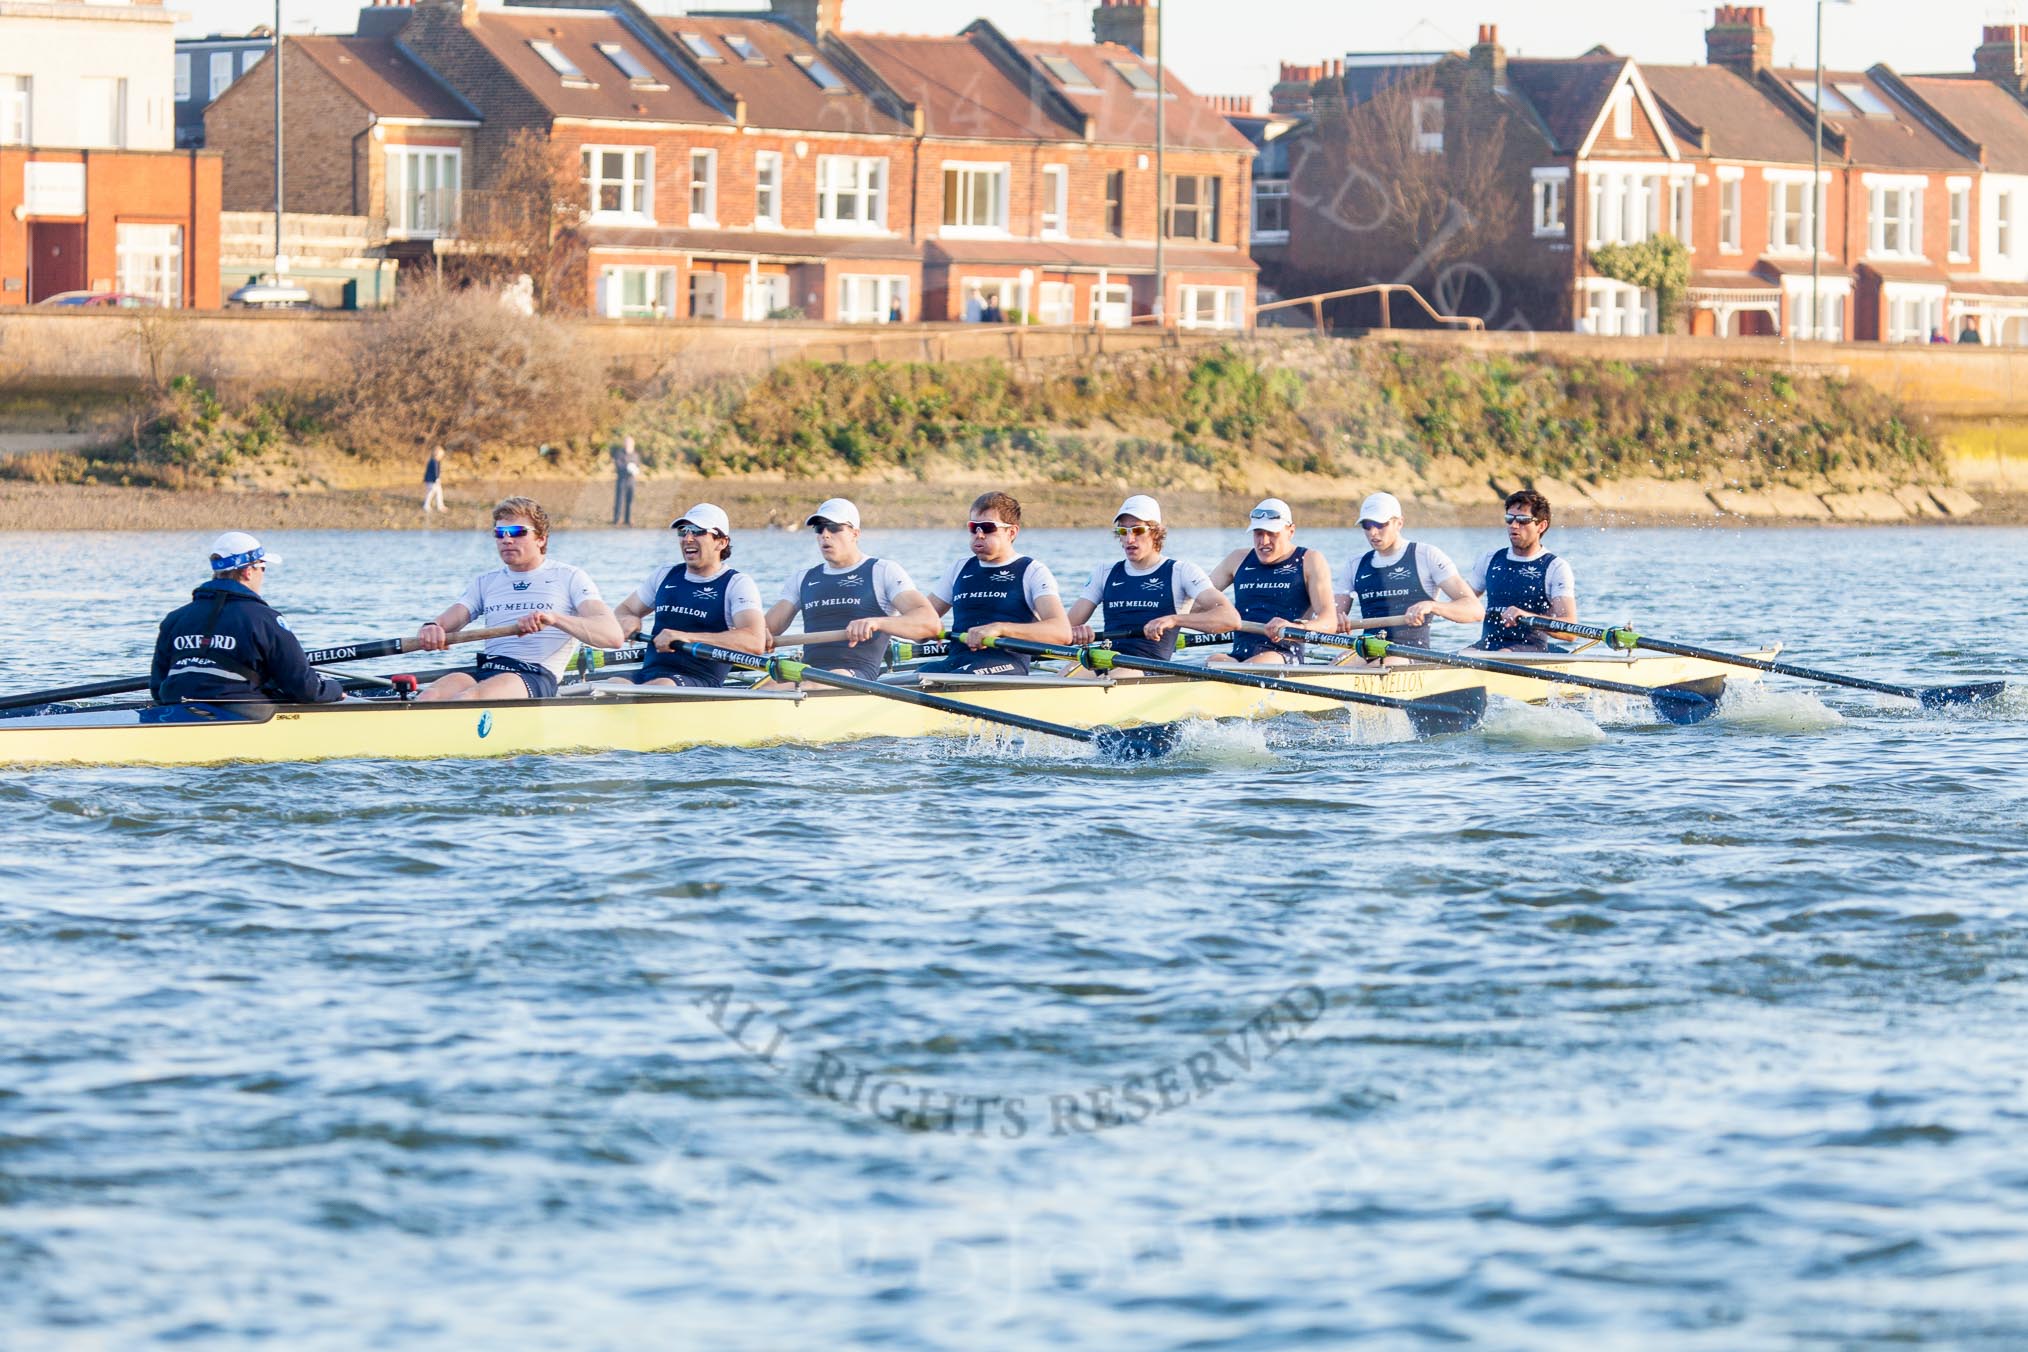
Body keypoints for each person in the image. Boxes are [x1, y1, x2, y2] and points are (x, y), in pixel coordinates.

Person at [414, 497, 623, 700]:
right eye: (499, 533)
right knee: (430, 696)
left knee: (470, 697)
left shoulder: (570, 577)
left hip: (535, 675)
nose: (506, 539)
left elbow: (612, 636)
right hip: (488, 668)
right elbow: (445, 623)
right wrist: (432, 628)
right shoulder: (486, 582)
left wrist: (554, 619)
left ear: (541, 538)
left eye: (517, 532)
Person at [151, 532, 345, 706]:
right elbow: (305, 689)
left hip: (175, 706)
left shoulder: (175, 619)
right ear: (248, 571)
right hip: (241, 713)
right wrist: (335, 689)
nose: (263, 575)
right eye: (263, 568)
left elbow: (157, 689)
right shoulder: (265, 620)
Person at [763, 497, 940, 681]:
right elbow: (763, 631)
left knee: (833, 677)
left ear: (855, 533)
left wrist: (878, 623)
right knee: (767, 686)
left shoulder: (883, 571)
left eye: (833, 527)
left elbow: (930, 624)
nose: (825, 534)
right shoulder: (802, 579)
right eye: (819, 528)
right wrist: (758, 634)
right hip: (808, 676)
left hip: (855, 679)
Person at [1065, 494, 1237, 675]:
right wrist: (1076, 633)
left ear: (1156, 532)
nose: (1129, 539)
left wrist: (1174, 620)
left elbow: (1229, 618)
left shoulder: (1181, 572)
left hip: (1149, 670)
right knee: (1065, 676)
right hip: (1106, 660)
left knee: (1116, 676)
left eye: (1137, 530)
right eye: (1123, 531)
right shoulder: (1104, 573)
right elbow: (1063, 630)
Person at [610, 503, 768, 688]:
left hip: (699, 680)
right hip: (651, 673)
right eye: (683, 531)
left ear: (721, 542)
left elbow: (755, 641)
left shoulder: (737, 584)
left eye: (698, 531)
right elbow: (624, 609)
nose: (688, 538)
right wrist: (629, 618)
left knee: (661, 685)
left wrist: (688, 637)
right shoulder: (664, 575)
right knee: (613, 683)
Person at [920, 490, 1071, 677]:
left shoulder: (1032, 571)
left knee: (946, 679)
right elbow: (919, 620)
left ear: (1011, 532)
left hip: (1006, 665)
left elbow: (1062, 632)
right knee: (922, 674)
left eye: (988, 527)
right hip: (957, 662)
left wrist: (1000, 628)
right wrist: (888, 624)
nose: (979, 534)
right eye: (973, 526)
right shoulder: (959, 568)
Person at [1335, 491, 1483, 660]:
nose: (1373, 532)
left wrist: (1433, 606)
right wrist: (1335, 621)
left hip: (1411, 655)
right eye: (1366, 525)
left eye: (1380, 524)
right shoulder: (1355, 564)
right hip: (1368, 652)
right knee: (1338, 661)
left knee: (1385, 662)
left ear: (1399, 523)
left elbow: (1474, 610)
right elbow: (1330, 620)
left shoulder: (1426, 556)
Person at [1204, 498, 1336, 665]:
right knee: (1213, 660)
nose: (1263, 542)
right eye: (1258, 533)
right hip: (1240, 658)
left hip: (1283, 655)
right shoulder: (1237, 559)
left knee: (1258, 664)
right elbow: (1198, 601)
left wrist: (1295, 628)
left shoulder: (1310, 560)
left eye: (1272, 533)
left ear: (1291, 531)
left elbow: (1330, 622)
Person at [1463, 489, 1577, 652]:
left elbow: (1570, 630)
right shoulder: (1489, 559)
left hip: (1531, 648)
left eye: (1523, 520)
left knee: (1501, 655)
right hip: (1489, 644)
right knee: (1465, 654)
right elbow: (1462, 601)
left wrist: (1528, 617)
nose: (1514, 526)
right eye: (1509, 519)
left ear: (1541, 526)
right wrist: (1430, 605)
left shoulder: (1555, 567)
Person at [611, 435, 641, 526]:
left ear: (633, 444)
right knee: (619, 500)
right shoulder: (619, 453)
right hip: (622, 480)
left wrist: (635, 469)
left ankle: (627, 519)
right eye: (626, 443)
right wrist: (627, 467)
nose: (628, 444)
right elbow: (618, 465)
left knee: (630, 500)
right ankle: (616, 519)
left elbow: (638, 465)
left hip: (631, 481)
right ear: (624, 444)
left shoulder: (635, 455)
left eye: (630, 443)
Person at [421, 445, 445, 514]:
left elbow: (437, 471)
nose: (441, 457)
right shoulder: (433, 461)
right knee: (431, 492)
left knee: (439, 492)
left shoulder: (436, 461)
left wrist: (438, 478)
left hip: (434, 480)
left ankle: (440, 505)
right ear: (436, 454)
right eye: (441, 455)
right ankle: (426, 505)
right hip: (431, 480)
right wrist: (437, 479)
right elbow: (435, 472)